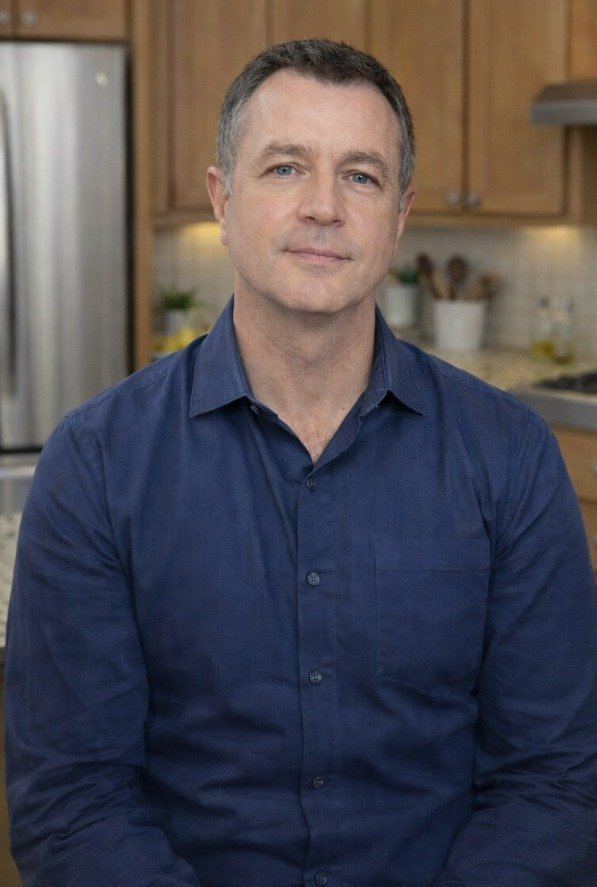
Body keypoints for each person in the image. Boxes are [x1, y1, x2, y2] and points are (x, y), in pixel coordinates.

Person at [4, 37, 597, 886]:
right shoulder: (96, 463)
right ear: (221, 198)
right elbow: (73, 801)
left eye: (360, 175)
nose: (324, 206)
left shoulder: (509, 456)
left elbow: (551, 781)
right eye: (285, 167)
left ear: (398, 214)